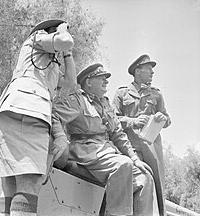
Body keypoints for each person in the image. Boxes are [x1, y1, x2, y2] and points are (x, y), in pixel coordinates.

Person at [0, 19, 76, 216]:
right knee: (30, 181)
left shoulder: (50, 65)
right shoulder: (35, 39)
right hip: (26, 112)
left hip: (17, 112)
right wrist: (63, 30)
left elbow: (71, 82)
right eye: (54, 31)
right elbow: (65, 41)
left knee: (10, 184)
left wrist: (67, 54)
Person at [52, 63, 159, 216]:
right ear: (88, 82)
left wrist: (135, 158)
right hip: (86, 151)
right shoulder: (77, 100)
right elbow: (54, 115)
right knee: (122, 165)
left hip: (106, 152)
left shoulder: (105, 103)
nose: (106, 82)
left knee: (145, 177)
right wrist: (60, 136)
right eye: (101, 78)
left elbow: (118, 134)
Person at [112, 54, 171, 216]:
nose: (152, 73)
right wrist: (132, 121)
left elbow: (167, 120)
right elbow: (112, 119)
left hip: (151, 149)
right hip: (128, 146)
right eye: (149, 70)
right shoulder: (122, 93)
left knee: (155, 186)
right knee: (130, 181)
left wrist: (162, 118)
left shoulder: (156, 94)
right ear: (138, 71)